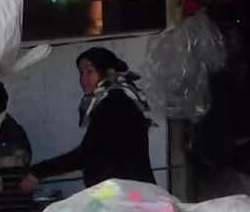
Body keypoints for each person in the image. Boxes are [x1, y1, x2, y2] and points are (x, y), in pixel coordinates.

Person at [20, 46, 156, 192]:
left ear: (108, 72)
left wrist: (39, 172)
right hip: (130, 192)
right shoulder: (118, 97)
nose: (83, 79)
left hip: (127, 195)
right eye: (81, 73)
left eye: (90, 72)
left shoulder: (115, 101)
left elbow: (88, 152)